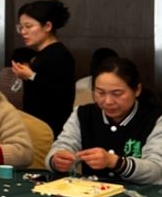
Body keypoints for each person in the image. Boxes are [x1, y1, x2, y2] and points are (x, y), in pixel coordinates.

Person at [47, 56, 162, 184]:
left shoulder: (156, 119)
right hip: (92, 192)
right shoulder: (83, 114)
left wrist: (114, 162)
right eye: (100, 93)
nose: (108, 101)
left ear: (137, 90)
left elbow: (156, 170)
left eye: (117, 93)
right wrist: (57, 160)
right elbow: (61, 147)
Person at [11, 0, 76, 135]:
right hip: (36, 126)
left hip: (51, 129)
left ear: (47, 26)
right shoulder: (41, 54)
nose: (23, 32)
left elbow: (61, 94)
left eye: (28, 26)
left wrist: (31, 76)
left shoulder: (60, 55)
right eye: (21, 27)